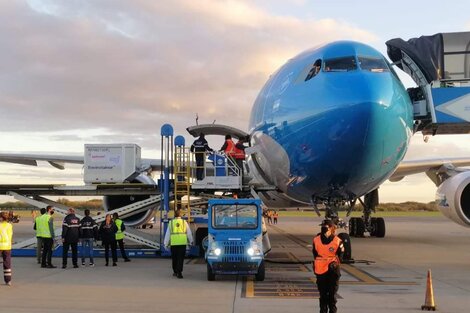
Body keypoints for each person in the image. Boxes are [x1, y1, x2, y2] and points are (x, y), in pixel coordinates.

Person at [312, 219, 344, 313]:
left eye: (325, 227)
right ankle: (323, 310)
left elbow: (341, 255)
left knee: (332, 294)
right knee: (323, 295)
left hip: (332, 269)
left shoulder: (337, 241)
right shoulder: (316, 240)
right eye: (322, 227)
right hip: (321, 269)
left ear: (331, 228)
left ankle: (332, 311)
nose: (323, 229)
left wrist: (334, 263)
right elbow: (315, 253)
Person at [163, 209, 193, 279]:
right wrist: (191, 241)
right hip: (182, 243)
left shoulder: (171, 223)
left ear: (174, 215)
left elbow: (168, 234)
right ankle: (179, 272)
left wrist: (165, 244)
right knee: (180, 258)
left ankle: (175, 271)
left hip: (174, 244)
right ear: (181, 215)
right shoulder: (184, 222)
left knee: (174, 258)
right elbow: (189, 233)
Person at [0, 211, 13, 286]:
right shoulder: (9, 225)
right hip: (7, 246)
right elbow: (10, 236)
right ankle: (8, 280)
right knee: (7, 264)